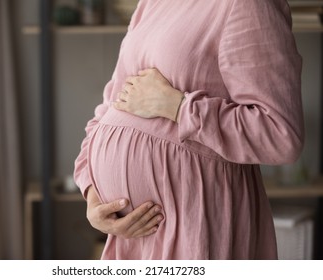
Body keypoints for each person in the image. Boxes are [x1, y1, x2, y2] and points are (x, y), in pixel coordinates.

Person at [74, 0, 303, 260]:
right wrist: (93, 196)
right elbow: (109, 108)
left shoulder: (249, 4)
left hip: (197, 218)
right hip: (132, 239)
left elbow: (280, 135)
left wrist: (178, 107)